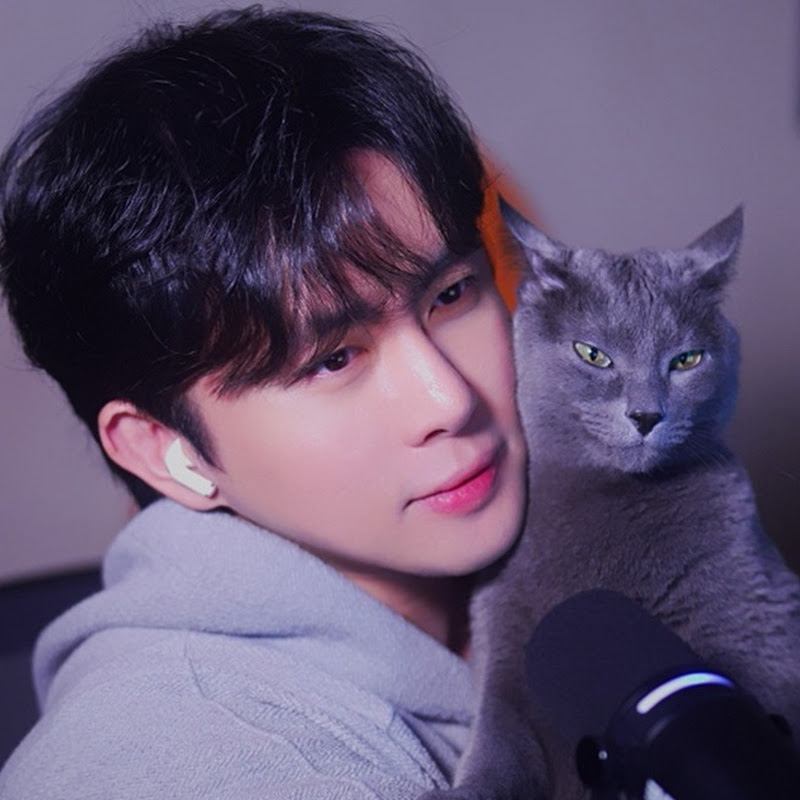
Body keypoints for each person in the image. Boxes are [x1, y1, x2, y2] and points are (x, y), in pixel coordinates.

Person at [0, 7, 527, 798]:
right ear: (166, 450)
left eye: (450, 295)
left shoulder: (587, 568)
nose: (447, 399)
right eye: (334, 360)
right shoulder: (188, 768)